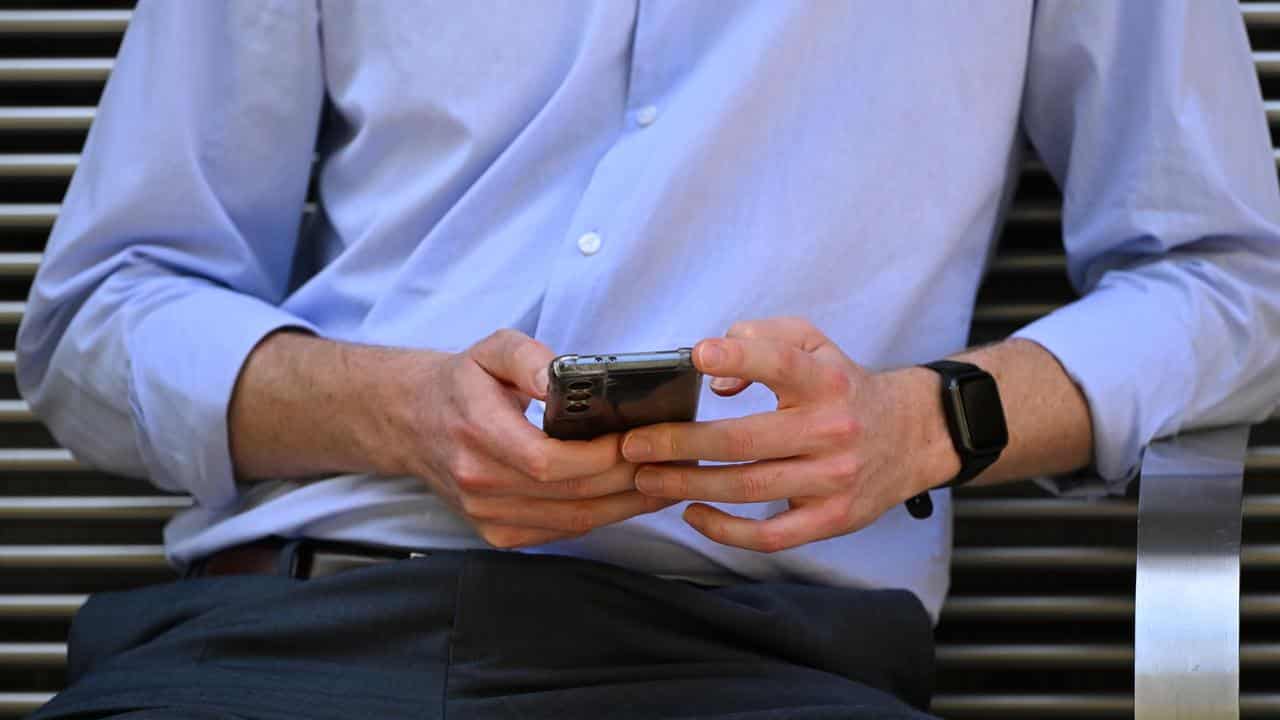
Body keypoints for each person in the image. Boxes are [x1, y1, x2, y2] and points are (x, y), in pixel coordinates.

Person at [16, 1, 1280, 718]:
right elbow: (99, 311)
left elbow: (1231, 278)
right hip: (281, 646)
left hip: (757, 664)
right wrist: (398, 412)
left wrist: (931, 421)